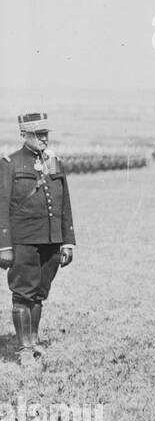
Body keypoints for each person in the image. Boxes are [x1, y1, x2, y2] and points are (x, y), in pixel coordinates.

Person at [0, 112, 76, 370]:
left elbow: (64, 201)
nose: (43, 138)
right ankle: (24, 350)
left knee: (39, 294)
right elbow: (1, 207)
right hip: (23, 242)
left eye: (45, 134)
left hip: (51, 241)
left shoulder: (54, 162)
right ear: (24, 135)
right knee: (23, 294)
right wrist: (5, 246)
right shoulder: (9, 163)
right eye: (37, 134)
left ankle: (33, 340)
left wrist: (67, 241)